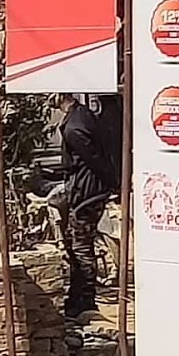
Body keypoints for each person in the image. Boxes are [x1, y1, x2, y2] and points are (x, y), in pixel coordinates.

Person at [58, 92, 120, 321]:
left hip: (86, 194)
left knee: (81, 247)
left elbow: (94, 161)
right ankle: (77, 300)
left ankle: (84, 300)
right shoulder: (82, 117)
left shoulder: (75, 128)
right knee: (78, 245)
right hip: (89, 191)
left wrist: (112, 183)